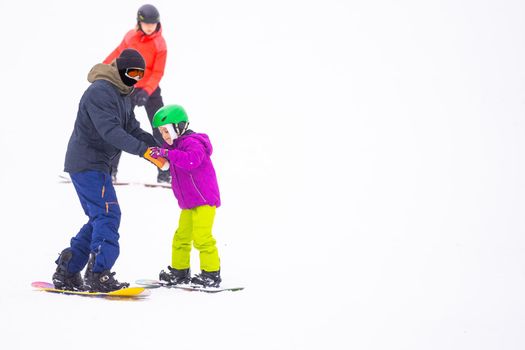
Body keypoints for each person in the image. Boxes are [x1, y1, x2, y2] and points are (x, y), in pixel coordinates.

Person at [52, 48, 168, 292]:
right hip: (86, 163)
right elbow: (112, 132)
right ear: (121, 69)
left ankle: (68, 269)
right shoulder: (100, 92)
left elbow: (132, 129)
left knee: (99, 217)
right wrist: (143, 151)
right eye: (133, 73)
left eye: (140, 74)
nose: (136, 78)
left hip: (96, 165)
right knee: (108, 215)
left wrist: (158, 147)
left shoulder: (123, 94)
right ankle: (99, 273)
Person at [149, 105, 222, 288]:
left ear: (179, 126)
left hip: (204, 200)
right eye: (161, 132)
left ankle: (211, 274)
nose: (164, 136)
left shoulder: (193, 142)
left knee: (202, 237)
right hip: (189, 203)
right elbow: (171, 161)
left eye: (167, 130)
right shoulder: (173, 147)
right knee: (181, 237)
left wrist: (167, 153)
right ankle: (180, 271)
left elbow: (191, 160)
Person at [103, 4, 170, 184]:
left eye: (153, 24)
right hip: (129, 87)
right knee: (119, 127)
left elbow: (157, 72)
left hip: (151, 89)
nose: (150, 27)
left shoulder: (160, 44)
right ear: (139, 23)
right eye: (146, 23)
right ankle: (110, 170)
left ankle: (166, 173)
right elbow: (117, 55)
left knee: (161, 128)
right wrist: (102, 69)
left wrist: (146, 91)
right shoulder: (130, 37)